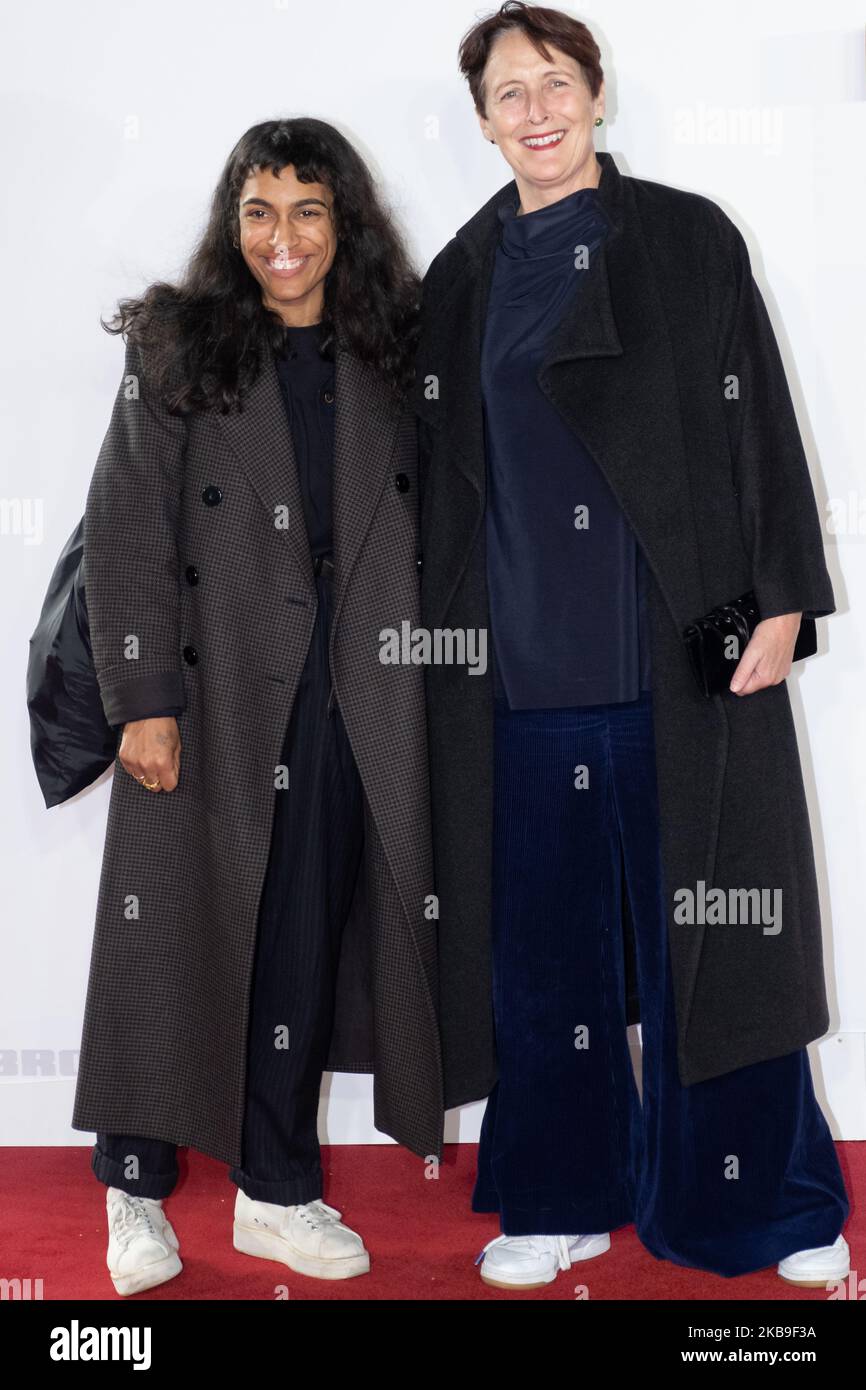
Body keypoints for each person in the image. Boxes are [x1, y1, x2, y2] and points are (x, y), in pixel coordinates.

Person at [413, 2, 850, 1290]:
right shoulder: (456, 281)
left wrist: (780, 595)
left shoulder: (685, 238)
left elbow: (757, 417)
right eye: (506, 92)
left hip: (683, 662)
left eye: (554, 81)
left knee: (719, 944)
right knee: (543, 962)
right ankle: (558, 1195)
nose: (534, 108)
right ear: (481, 120)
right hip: (521, 685)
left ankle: (761, 1205)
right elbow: (429, 490)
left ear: (597, 94)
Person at [73, 118, 444, 1295]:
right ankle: (134, 1195)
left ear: (346, 226)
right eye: (259, 212)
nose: (282, 239)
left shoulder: (388, 347)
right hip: (208, 678)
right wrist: (141, 696)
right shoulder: (180, 343)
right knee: (165, 936)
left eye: (307, 211)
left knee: (299, 938)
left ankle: (276, 1192)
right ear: (233, 225)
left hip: (348, 685)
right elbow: (128, 521)